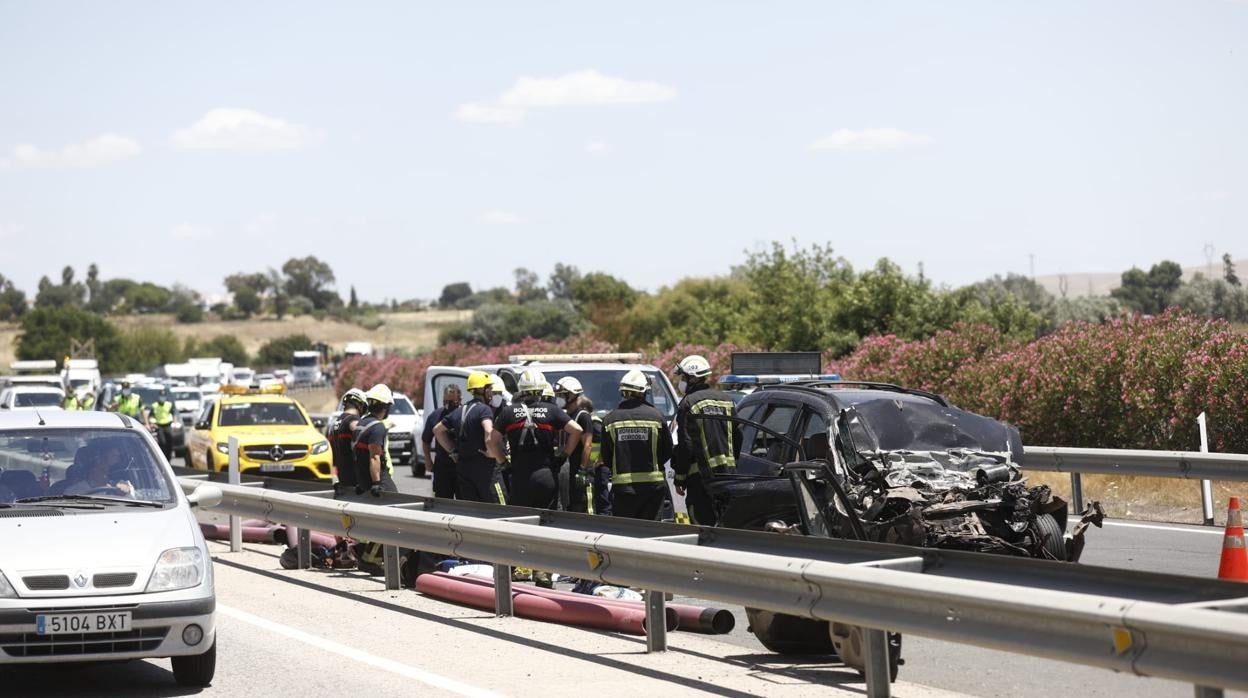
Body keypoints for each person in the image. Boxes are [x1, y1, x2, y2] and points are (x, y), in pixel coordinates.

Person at [489, 369, 582, 510]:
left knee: (520, 521)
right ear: (542, 389)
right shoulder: (552, 410)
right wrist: (563, 456)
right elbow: (577, 430)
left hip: (520, 479)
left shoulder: (508, 412)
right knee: (547, 522)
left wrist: (503, 462)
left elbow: (491, 441)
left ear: (521, 389)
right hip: (546, 476)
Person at [671, 355, 739, 526]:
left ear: (692, 378)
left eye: (683, 377)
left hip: (700, 477)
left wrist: (680, 478)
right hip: (728, 475)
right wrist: (732, 465)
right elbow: (737, 437)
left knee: (703, 528)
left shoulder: (688, 403)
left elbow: (685, 445)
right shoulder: (726, 400)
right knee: (726, 526)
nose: (681, 382)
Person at [601, 369, 673, 521]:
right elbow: (667, 450)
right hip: (653, 487)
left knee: (626, 533)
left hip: (623, 489)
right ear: (644, 392)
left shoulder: (610, 419)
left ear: (623, 392)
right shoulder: (657, 416)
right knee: (650, 532)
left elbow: (606, 456)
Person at [434, 371, 507, 504]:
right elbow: (489, 433)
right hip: (486, 472)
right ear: (481, 389)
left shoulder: (459, 411)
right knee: (501, 509)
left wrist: (453, 451)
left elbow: (437, 430)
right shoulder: (484, 410)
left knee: (474, 511)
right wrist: (492, 453)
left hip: (464, 471)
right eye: (489, 388)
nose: (491, 392)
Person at [553, 376, 605, 515]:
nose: (559, 398)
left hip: (580, 473)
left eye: (562, 395)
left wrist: (583, 470)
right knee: (570, 507)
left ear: (572, 395)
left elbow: (588, 445)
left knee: (585, 509)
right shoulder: (564, 416)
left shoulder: (583, 416)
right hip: (568, 471)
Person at [351, 384, 399, 497]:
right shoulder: (377, 427)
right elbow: (374, 457)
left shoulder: (361, 423)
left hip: (363, 481)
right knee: (396, 503)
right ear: (385, 407)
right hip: (379, 481)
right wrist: (376, 483)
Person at [422, 384, 463, 499]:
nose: (448, 405)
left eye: (452, 402)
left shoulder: (465, 414)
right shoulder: (435, 416)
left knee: (464, 503)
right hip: (442, 467)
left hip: (462, 467)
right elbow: (426, 441)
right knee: (442, 502)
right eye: (445, 401)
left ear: (460, 400)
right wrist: (428, 460)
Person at [330, 388, 367, 496]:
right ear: (360, 405)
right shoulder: (353, 421)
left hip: (342, 480)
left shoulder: (334, 424)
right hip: (356, 481)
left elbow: (332, 458)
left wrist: (334, 480)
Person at [65, 442, 132, 496]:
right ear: (92, 469)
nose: (105, 475)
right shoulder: (73, 491)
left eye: (107, 471)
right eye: (102, 470)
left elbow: (135, 501)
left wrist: (126, 491)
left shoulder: (118, 486)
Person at [148, 389, 177, 461]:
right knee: (162, 443)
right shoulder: (155, 405)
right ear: (158, 397)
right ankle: (163, 459)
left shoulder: (169, 404)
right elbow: (151, 416)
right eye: (161, 396)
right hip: (159, 426)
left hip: (168, 425)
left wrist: (175, 422)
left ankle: (168, 459)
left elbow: (174, 413)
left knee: (170, 442)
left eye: (164, 396)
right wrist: (152, 424)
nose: (162, 398)